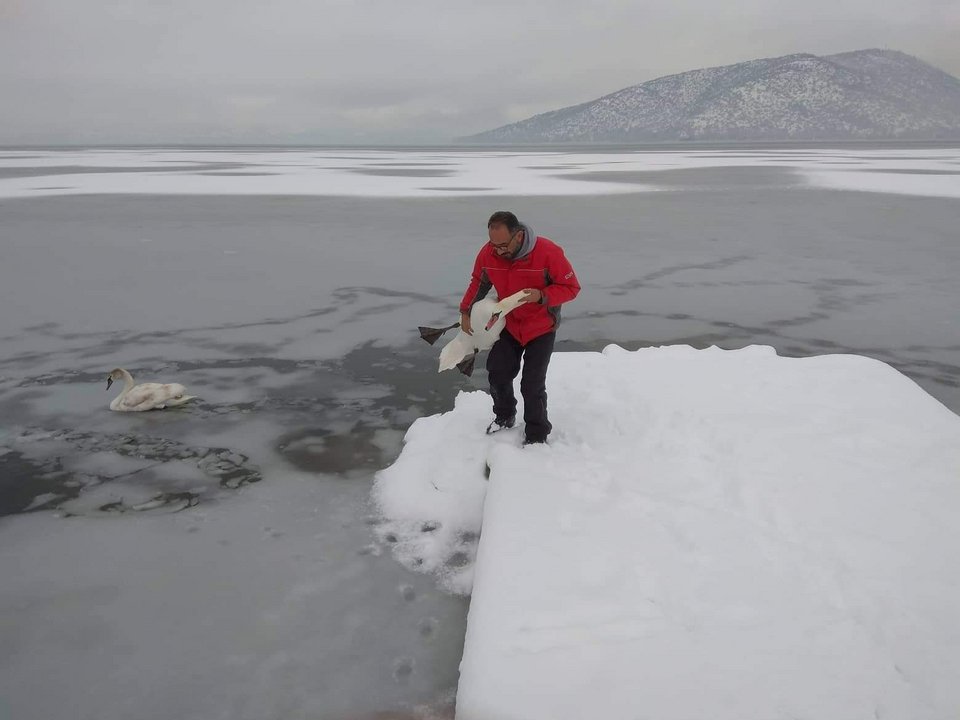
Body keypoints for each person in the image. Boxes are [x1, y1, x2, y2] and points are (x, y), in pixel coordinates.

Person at [459, 211, 581, 445]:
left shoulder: (548, 252)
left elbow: (571, 288)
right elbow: (478, 282)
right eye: (493, 245)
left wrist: (542, 295)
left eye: (503, 245)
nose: (498, 250)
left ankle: (537, 435)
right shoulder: (489, 253)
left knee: (532, 384)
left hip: (541, 327)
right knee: (497, 372)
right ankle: (505, 416)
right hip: (509, 323)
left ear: (518, 235)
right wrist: (465, 310)